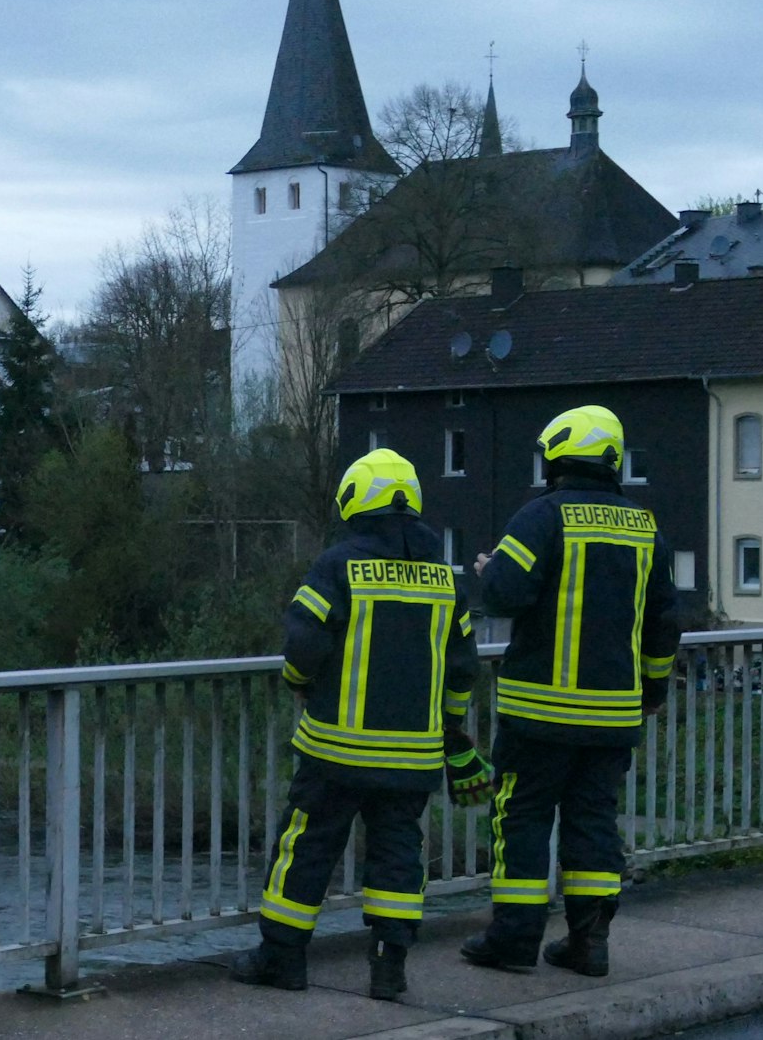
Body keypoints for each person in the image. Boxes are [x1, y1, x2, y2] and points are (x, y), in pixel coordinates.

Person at [232, 448, 494, 1001]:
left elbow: (303, 643)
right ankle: (388, 966)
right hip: (412, 758)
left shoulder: (338, 565)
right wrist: (449, 731)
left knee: (305, 849)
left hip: (335, 751)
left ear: (355, 502)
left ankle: (283, 960)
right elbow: (463, 670)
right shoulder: (444, 579)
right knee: (399, 855)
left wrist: (299, 682)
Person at [460, 405, 679, 978]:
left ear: (557, 458)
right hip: (613, 716)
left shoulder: (541, 516)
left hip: (539, 713)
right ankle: (589, 944)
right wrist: (653, 688)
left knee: (523, 817)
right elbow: (663, 623)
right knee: (593, 823)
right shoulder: (644, 527)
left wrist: (488, 569)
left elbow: (504, 595)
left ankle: (513, 941)